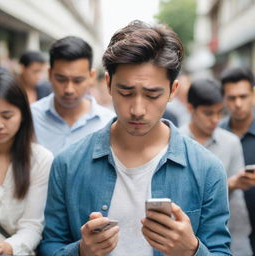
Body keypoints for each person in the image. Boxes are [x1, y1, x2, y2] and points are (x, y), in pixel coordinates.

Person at [39, 20, 231, 256]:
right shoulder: (68, 163)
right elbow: (50, 245)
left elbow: (221, 250)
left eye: (152, 94)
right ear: (108, 84)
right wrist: (80, 251)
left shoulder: (207, 169)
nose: (138, 109)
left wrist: (191, 250)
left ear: (173, 90)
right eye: (126, 92)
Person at [180, 78, 251, 255]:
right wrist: (229, 184)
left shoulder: (231, 142)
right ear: (190, 109)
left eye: (220, 113)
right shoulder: (175, 141)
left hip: (229, 234)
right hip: (184, 239)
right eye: (208, 113)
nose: (215, 120)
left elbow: (237, 206)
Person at [0, 70, 53, 255]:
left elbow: (32, 225)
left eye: (7, 116)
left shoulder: (40, 160)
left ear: (23, 115)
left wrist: (8, 247)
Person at [31, 36, 115, 155]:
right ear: (49, 74)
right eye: (61, 79)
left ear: (92, 76)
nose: (69, 89)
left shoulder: (108, 124)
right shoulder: (30, 117)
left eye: (78, 81)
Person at [220, 67, 255, 254]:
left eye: (243, 96)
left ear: (253, 95)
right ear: (224, 99)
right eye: (232, 98)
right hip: (229, 233)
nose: (238, 103)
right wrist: (231, 184)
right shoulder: (214, 135)